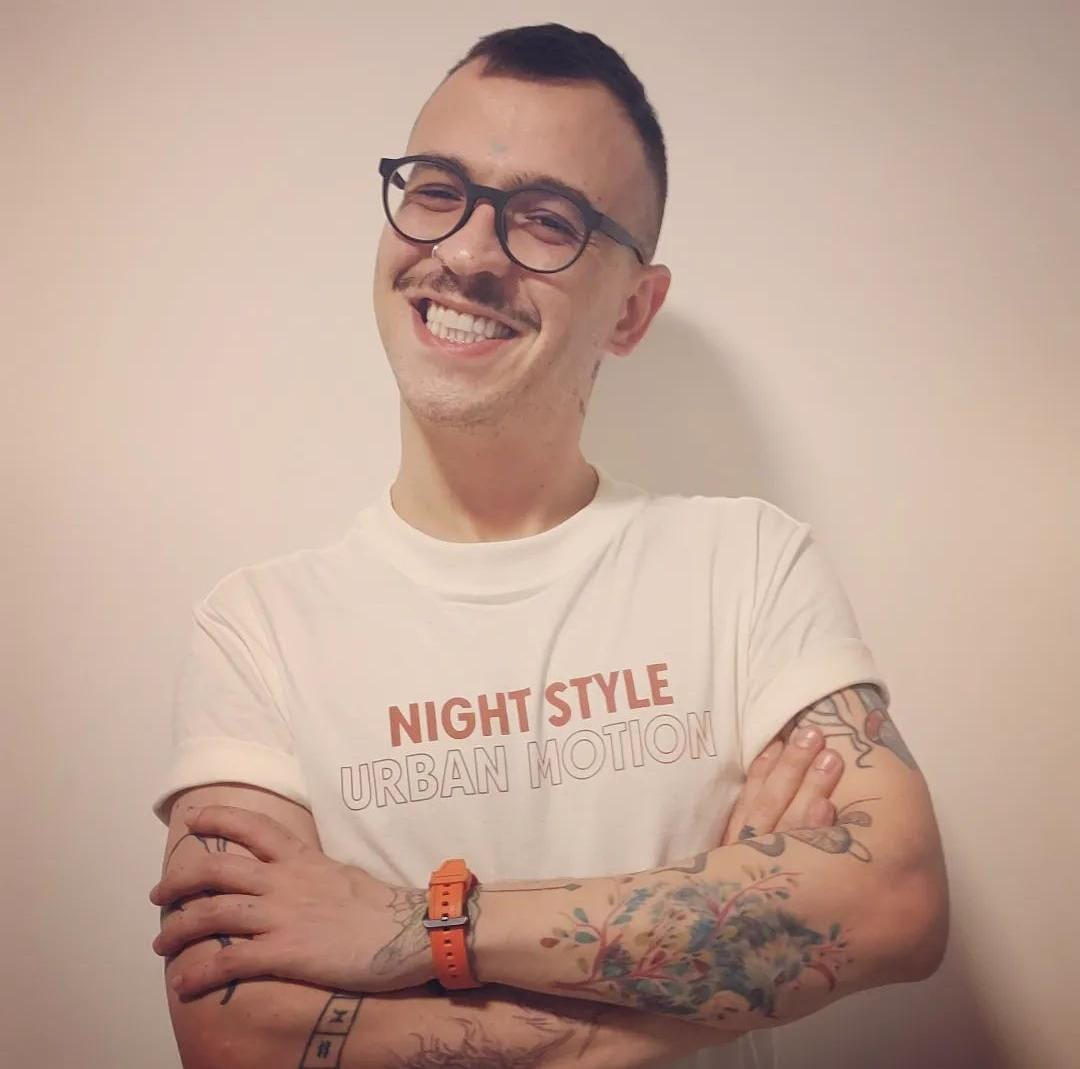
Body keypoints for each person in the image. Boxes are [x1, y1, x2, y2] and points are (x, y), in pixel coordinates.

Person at [150, 23, 948, 1069]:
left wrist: (416, 925)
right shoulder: (257, 628)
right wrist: (713, 972)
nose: (467, 252)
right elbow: (234, 1037)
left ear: (633, 310)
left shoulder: (747, 567)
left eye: (546, 220)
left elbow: (894, 901)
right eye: (437, 190)